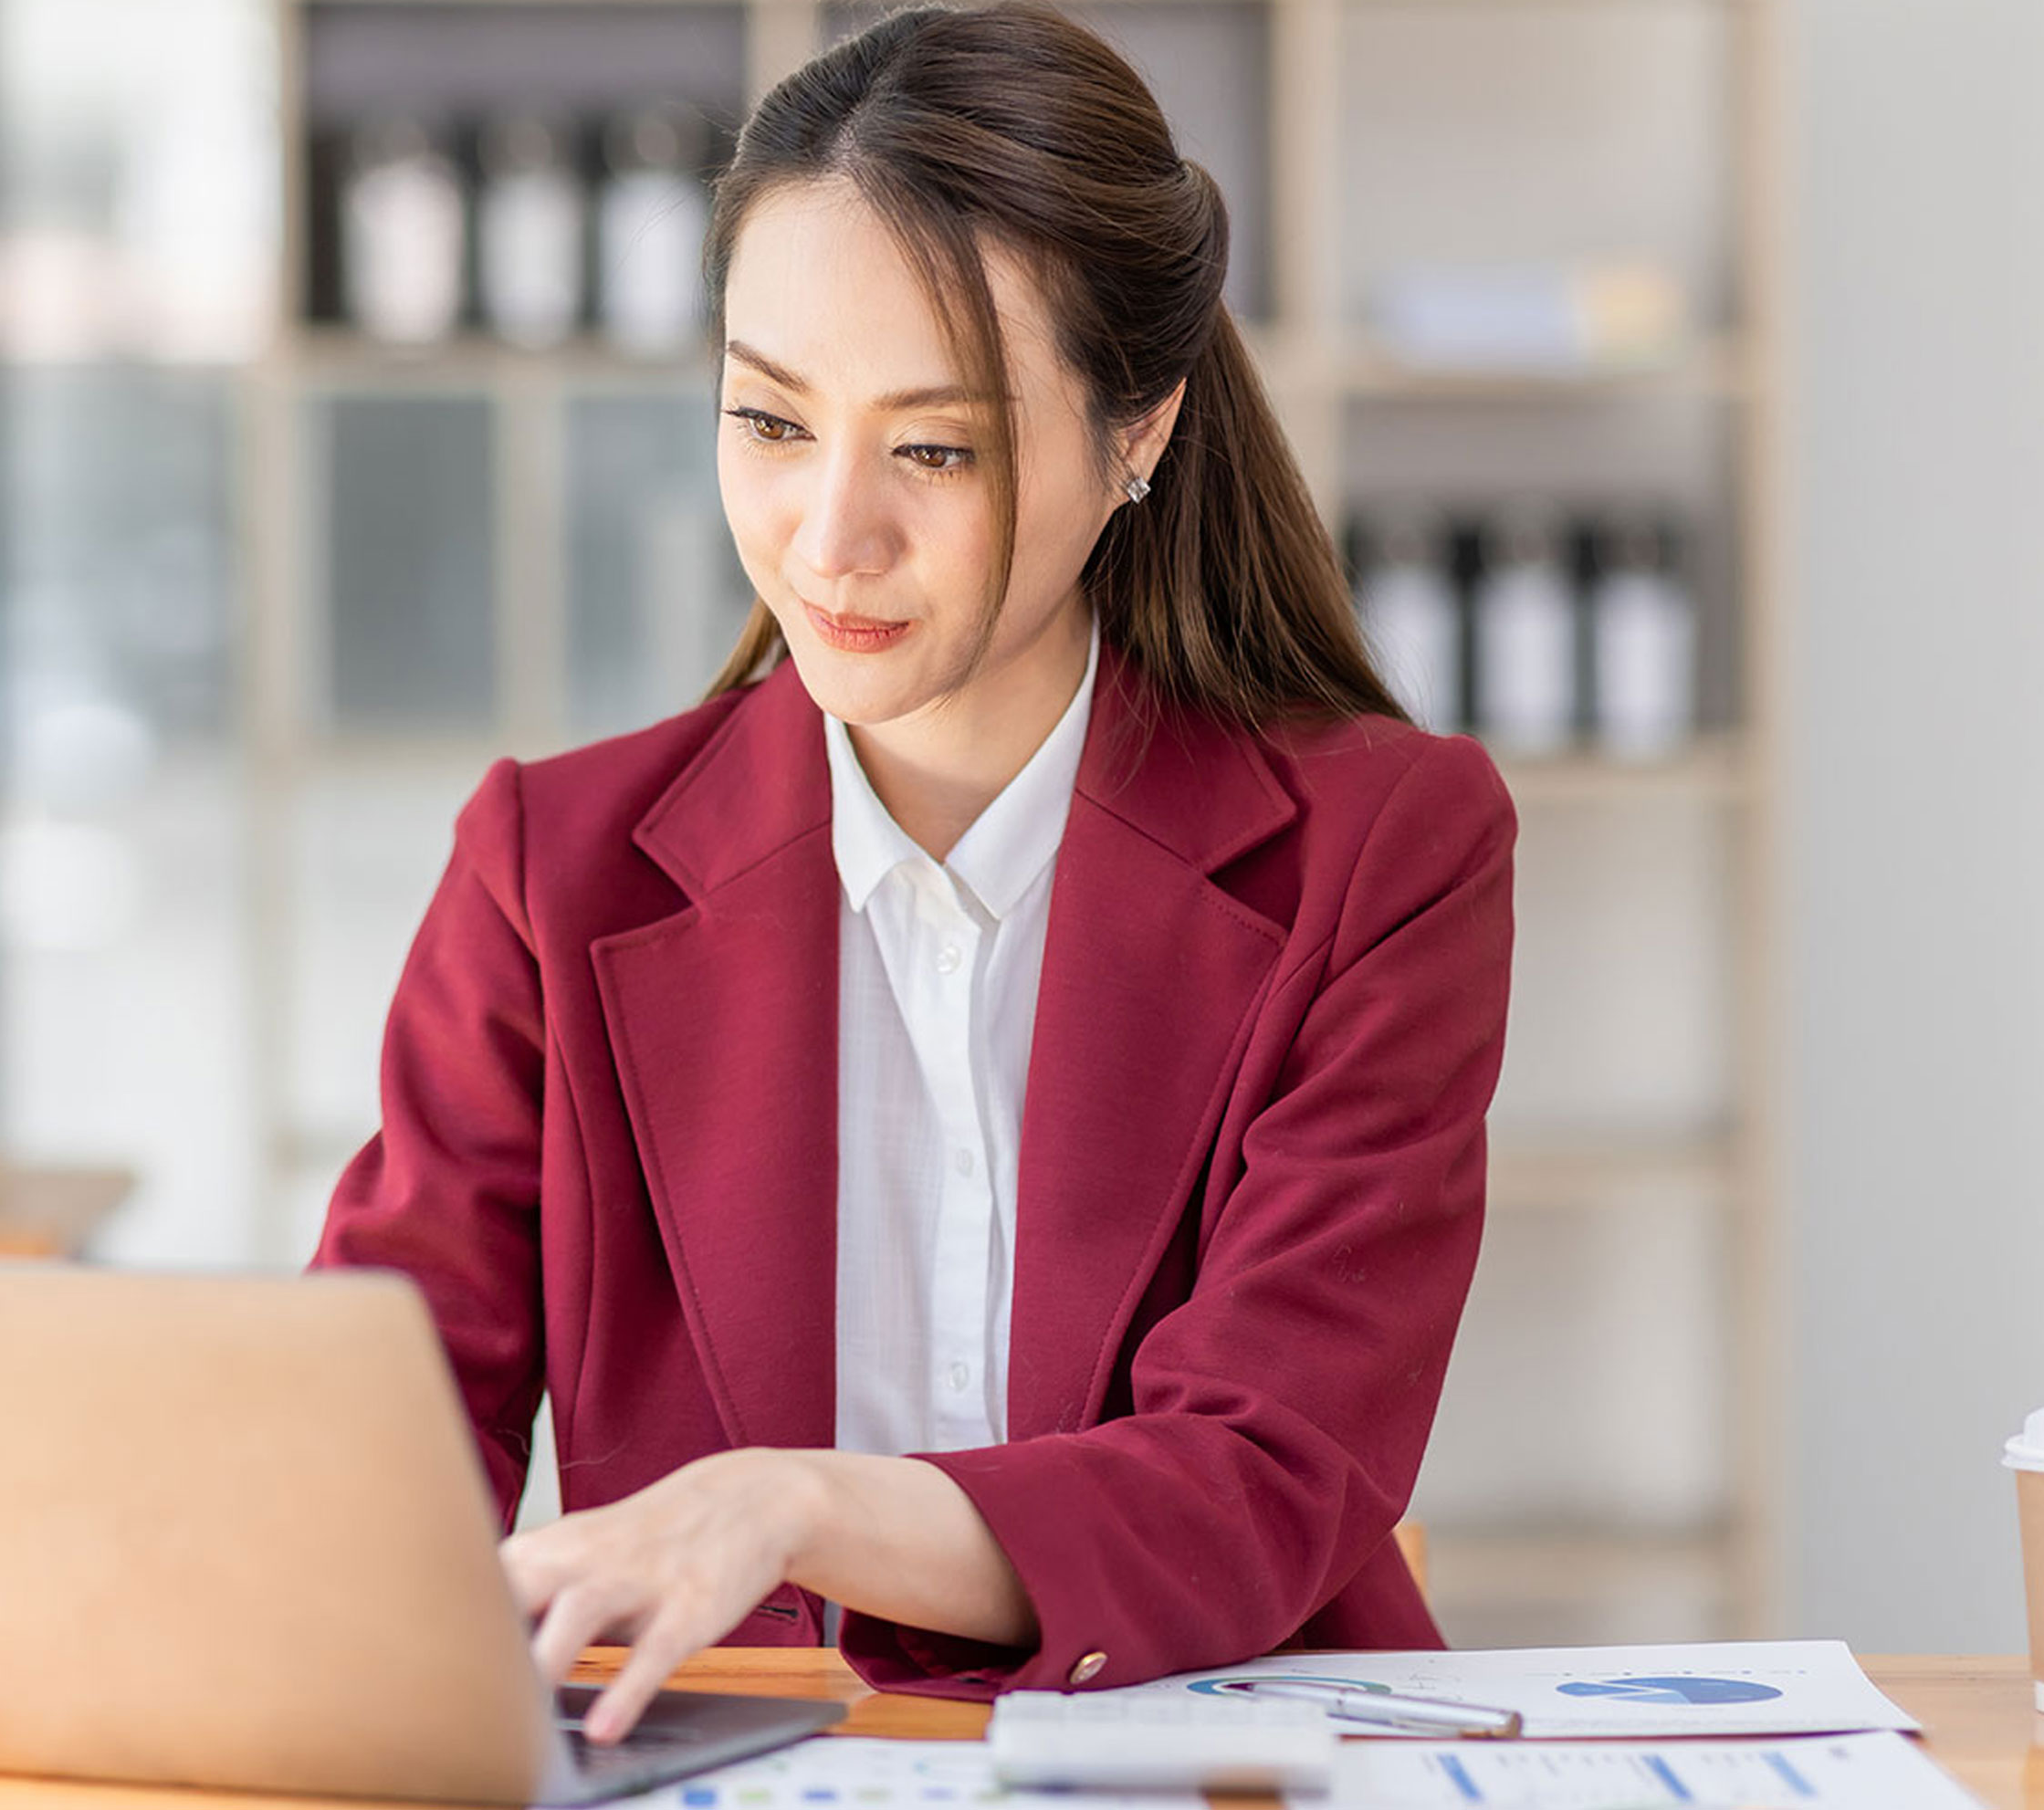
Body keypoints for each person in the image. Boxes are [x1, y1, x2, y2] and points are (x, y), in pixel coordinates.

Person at [306, 0, 1516, 1743]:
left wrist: (793, 1507)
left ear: (1137, 434)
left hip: (1211, 1755)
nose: (829, 538)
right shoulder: (544, 870)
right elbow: (383, 1433)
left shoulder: (1382, 851)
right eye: (771, 423)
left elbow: (1266, 1464)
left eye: (932, 448)